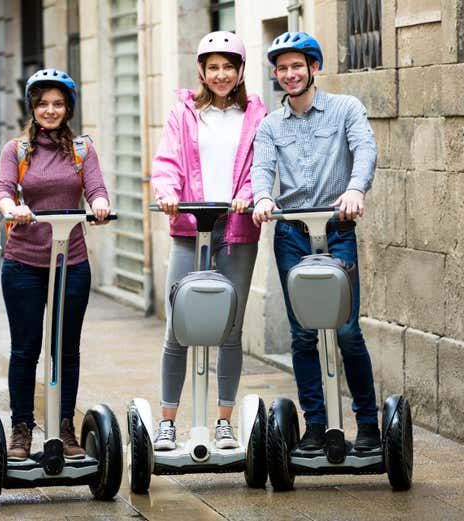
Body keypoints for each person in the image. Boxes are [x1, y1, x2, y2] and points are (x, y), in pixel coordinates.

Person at [251, 32, 381, 451]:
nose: (289, 74)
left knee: (346, 332)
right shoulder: (270, 125)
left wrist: (356, 189)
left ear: (314, 68)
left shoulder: (345, 109)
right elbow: (261, 169)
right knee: (304, 334)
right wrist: (263, 197)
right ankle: (315, 426)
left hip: (337, 229)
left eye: (297, 66)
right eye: (282, 68)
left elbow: (364, 150)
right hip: (292, 235)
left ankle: (368, 425)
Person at [150, 31, 267, 450]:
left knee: (230, 329)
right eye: (213, 67)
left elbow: (262, 165)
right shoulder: (183, 113)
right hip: (189, 228)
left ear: (240, 72)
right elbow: (167, 161)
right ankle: (166, 422)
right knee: (178, 326)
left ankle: (223, 422)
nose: (221, 74)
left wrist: (249, 196)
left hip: (236, 230)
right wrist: (167, 194)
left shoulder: (257, 114)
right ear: (201, 70)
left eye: (228, 67)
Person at [0, 68, 111, 461]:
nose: (50, 110)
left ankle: (64, 427)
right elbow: (4, 189)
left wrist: (98, 205)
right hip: (24, 263)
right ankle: (21, 429)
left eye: (57, 103)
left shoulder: (82, 150)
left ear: (68, 108)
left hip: (71, 262)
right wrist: (13, 208)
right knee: (26, 350)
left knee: (66, 350)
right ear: (32, 107)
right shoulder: (17, 150)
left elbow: (95, 188)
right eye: (42, 103)